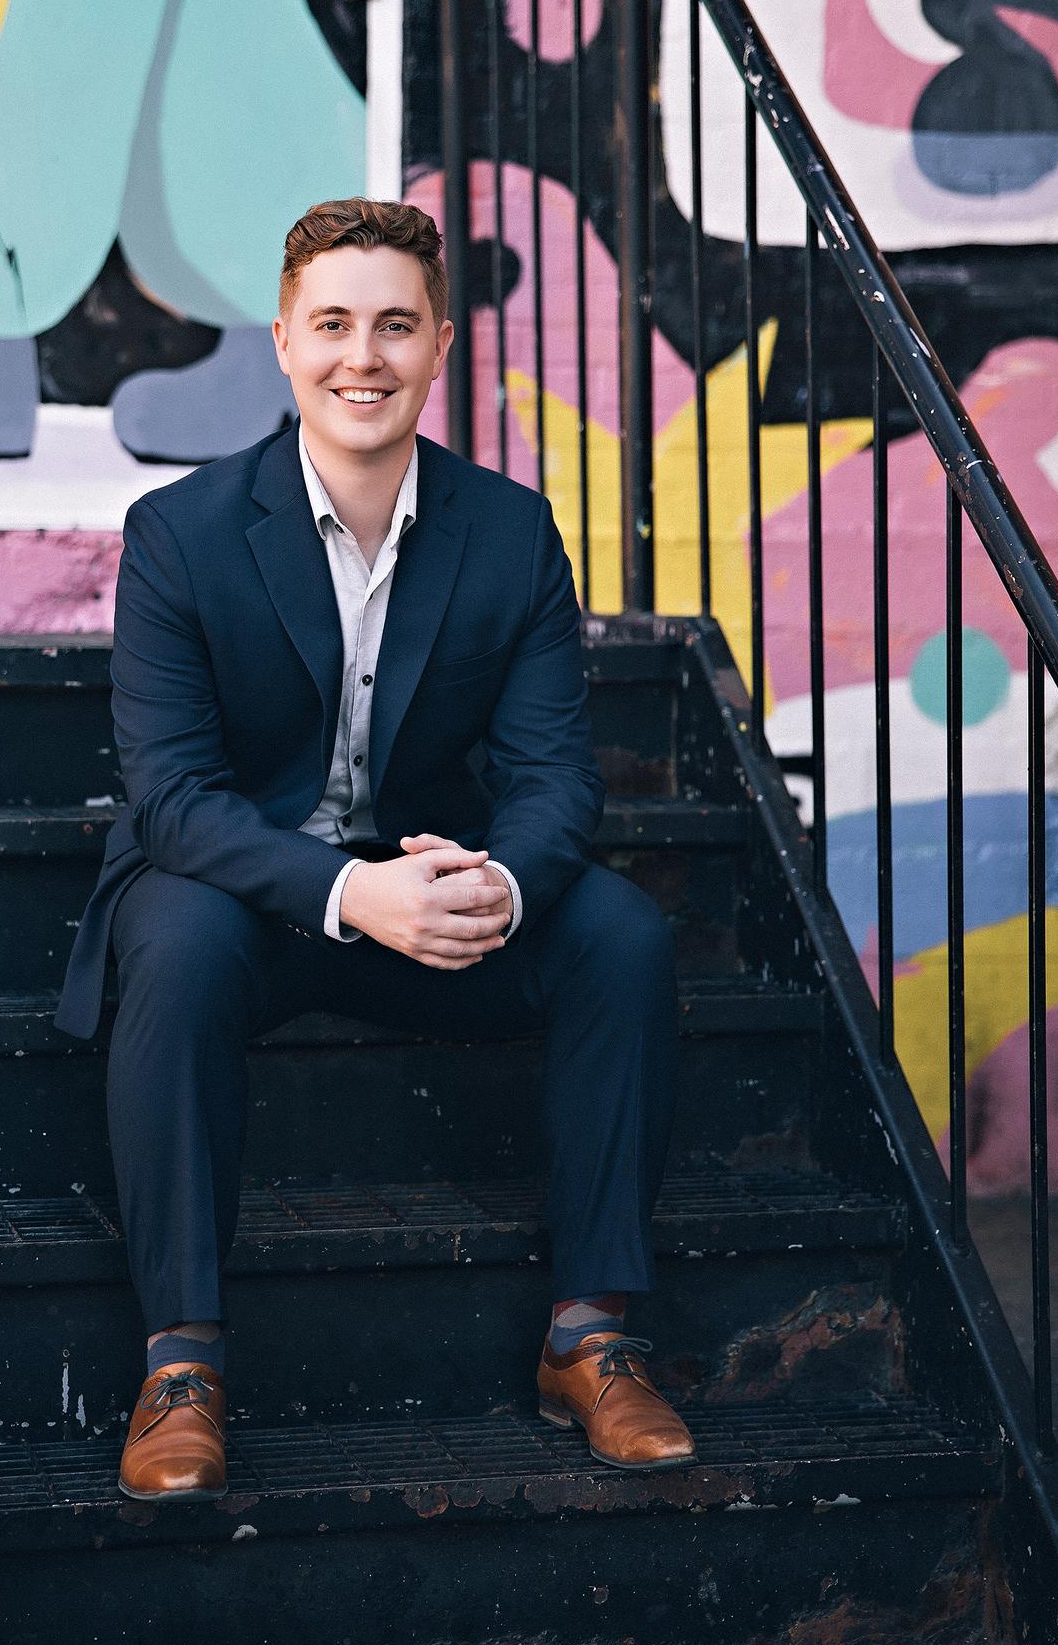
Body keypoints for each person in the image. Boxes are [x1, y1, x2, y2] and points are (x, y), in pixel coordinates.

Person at [54, 197, 696, 1499]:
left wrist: (498, 884)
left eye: (394, 325)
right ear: (284, 343)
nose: (364, 356)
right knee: (169, 941)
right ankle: (181, 1363)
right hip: (250, 905)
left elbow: (552, 777)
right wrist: (353, 892)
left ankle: (592, 1337)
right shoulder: (179, 534)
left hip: (433, 901)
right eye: (334, 324)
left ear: (440, 343)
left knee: (618, 935)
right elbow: (171, 801)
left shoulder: (507, 532)